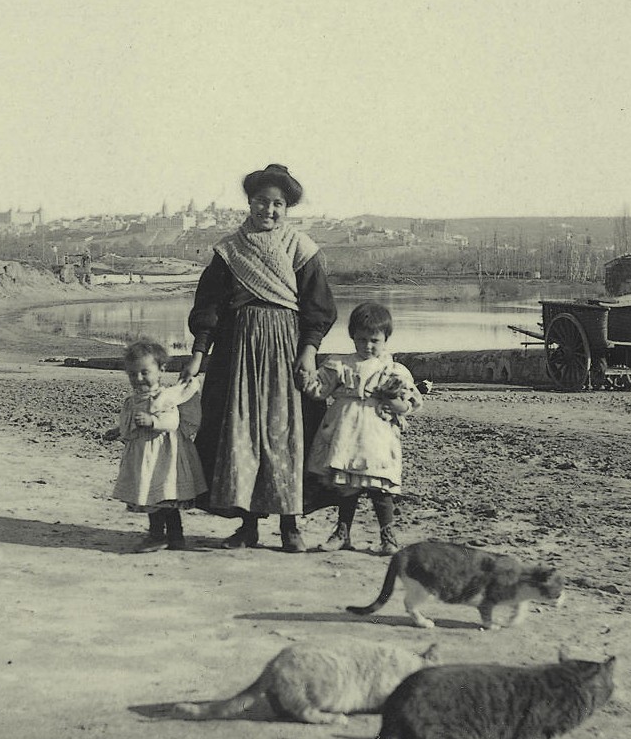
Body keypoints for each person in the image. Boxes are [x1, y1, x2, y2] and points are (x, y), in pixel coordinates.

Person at [182, 164, 336, 552]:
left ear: (288, 208)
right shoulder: (230, 249)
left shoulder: (300, 247)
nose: (269, 210)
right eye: (262, 202)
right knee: (240, 434)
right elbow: (210, 306)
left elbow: (318, 307)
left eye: (278, 204)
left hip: (286, 351)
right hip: (238, 352)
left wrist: (308, 352)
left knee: (286, 435)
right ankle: (247, 526)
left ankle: (290, 526)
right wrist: (199, 353)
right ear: (249, 203)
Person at [304, 301, 423, 555]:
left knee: (379, 485)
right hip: (345, 432)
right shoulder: (340, 364)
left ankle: (388, 536)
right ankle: (342, 532)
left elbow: (408, 405)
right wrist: (306, 378)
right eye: (361, 340)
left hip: (376, 434)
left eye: (374, 340)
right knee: (347, 484)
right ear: (352, 338)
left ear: (385, 339)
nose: (367, 346)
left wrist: (390, 398)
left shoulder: (391, 370)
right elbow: (319, 391)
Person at [102, 337, 206, 551]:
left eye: (144, 372)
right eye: (132, 374)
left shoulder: (164, 397)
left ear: (161, 370)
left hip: (163, 456)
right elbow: (129, 422)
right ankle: (159, 535)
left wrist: (153, 422)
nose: (138, 378)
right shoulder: (132, 400)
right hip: (145, 457)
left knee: (165, 498)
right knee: (152, 497)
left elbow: (173, 421)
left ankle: (173, 536)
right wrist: (118, 430)